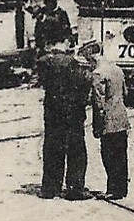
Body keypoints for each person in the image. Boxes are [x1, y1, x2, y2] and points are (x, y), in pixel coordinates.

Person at [36, 34, 93, 200]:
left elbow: (42, 80)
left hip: (52, 112)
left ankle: (50, 188)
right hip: (73, 112)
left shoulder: (44, 62)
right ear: (66, 42)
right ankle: (75, 189)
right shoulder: (74, 63)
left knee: (52, 148)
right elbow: (85, 83)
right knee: (76, 150)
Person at [85, 40, 130, 200]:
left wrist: (97, 126)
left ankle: (112, 189)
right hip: (121, 118)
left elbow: (98, 103)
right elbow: (125, 93)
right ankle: (122, 189)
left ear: (92, 57)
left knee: (109, 155)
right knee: (121, 154)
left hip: (108, 121)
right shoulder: (117, 69)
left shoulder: (98, 74)